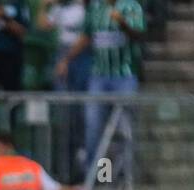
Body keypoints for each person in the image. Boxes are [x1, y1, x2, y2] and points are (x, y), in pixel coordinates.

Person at [55, 0, 145, 175]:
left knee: (124, 126)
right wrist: (66, 59)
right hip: (99, 76)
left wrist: (122, 23)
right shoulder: (95, 8)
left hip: (124, 75)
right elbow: (86, 37)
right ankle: (97, 173)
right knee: (94, 126)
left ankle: (126, 172)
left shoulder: (132, 6)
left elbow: (139, 34)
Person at [41, 0, 90, 180]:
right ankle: (64, 169)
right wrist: (44, 6)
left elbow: (87, 36)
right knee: (63, 115)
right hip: (63, 52)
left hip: (81, 57)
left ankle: (84, 162)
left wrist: (67, 60)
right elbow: (43, 25)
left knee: (82, 113)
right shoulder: (60, 8)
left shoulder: (86, 9)